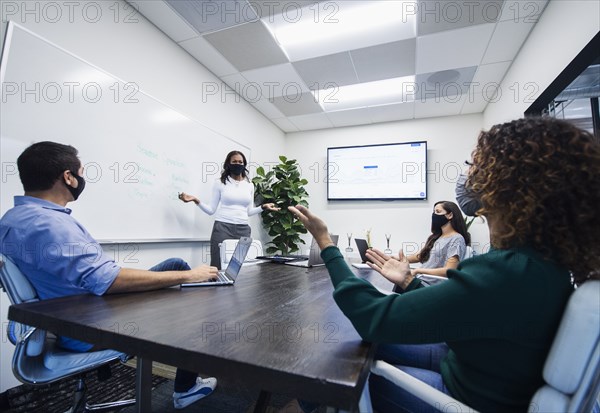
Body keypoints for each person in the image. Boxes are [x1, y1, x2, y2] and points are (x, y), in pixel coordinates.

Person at [289, 117, 600, 412]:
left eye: (476, 165)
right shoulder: (537, 264)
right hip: (469, 365)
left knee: (337, 365)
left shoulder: (507, 272)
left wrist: (325, 242)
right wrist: (408, 281)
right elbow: (468, 310)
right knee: (355, 347)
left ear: (509, 182)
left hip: (466, 398)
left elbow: (372, 317)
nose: (467, 174)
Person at [0, 141, 219, 410]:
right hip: (89, 326)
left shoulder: (14, 218)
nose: (82, 178)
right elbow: (108, 280)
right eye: (80, 172)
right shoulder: (49, 224)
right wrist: (187, 276)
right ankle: (185, 388)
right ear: (68, 177)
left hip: (74, 310)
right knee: (193, 295)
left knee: (175, 264)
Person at [178, 150, 279, 269]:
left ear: (244, 164)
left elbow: (249, 211)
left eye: (240, 162)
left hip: (243, 229)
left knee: (238, 267)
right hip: (222, 228)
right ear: (228, 164)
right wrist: (196, 200)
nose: (238, 164)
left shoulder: (249, 185)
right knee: (217, 266)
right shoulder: (220, 183)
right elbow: (211, 210)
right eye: (234, 161)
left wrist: (263, 207)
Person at [407, 200, 470, 278]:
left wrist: (419, 270)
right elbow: (421, 256)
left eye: (438, 212)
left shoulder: (457, 239)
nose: (434, 215)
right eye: (434, 212)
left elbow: (449, 270)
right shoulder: (437, 237)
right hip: (420, 278)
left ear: (450, 215)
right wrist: (399, 259)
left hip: (429, 284)